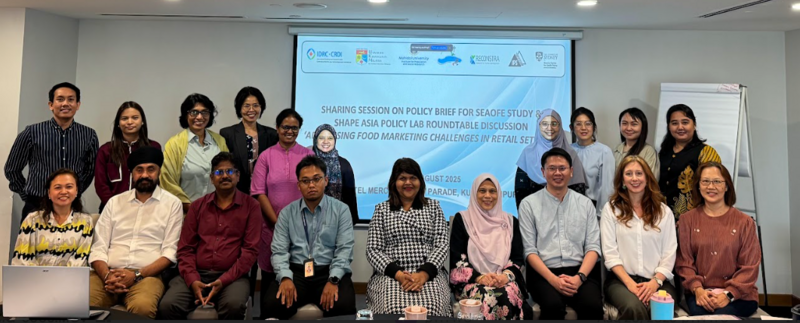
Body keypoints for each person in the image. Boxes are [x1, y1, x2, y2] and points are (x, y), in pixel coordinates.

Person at [158, 152, 262, 320]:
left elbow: (250, 252)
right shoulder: (197, 207)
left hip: (232, 277)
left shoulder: (252, 206)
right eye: (219, 172)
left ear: (238, 176)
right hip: (195, 273)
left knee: (233, 305)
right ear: (212, 178)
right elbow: (185, 249)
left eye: (230, 171)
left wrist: (224, 280)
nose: (225, 176)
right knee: (168, 305)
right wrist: (193, 280)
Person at [89, 146, 184, 319]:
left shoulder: (172, 204)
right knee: (80, 303)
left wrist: (137, 275)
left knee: (143, 308)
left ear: (159, 172)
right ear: (132, 173)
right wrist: (107, 275)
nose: (145, 175)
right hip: (108, 274)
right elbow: (99, 247)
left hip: (147, 276)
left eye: (151, 169)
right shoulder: (115, 202)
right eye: (139, 170)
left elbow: (170, 253)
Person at [264, 156, 357, 319]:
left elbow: (344, 249)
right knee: (272, 304)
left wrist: (333, 280)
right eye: (305, 181)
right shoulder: (287, 213)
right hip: (296, 270)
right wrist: (285, 277)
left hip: (328, 270)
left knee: (344, 305)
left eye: (316, 179)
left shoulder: (341, 210)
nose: (311, 185)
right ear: (299, 186)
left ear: (326, 180)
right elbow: (279, 250)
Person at [519, 147, 603, 320]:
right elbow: (530, 251)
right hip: (544, 273)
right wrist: (553, 280)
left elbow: (593, 247)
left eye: (562, 168)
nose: (557, 173)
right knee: (552, 307)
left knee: (592, 307)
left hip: (580, 271)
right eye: (552, 168)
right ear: (543, 172)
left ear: (571, 172)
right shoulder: (528, 204)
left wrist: (579, 277)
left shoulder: (585, 204)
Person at [366, 158, 450, 317]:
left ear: (420, 181)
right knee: (392, 310)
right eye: (402, 178)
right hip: (392, 275)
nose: (408, 183)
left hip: (428, 274)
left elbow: (442, 245)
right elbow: (373, 250)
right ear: (394, 182)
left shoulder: (434, 207)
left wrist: (423, 274)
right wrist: (398, 274)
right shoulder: (382, 209)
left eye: (413, 178)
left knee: (432, 309)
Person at [5, 82, 98, 223]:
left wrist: (74, 192)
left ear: (78, 105)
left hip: (71, 206)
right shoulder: (32, 132)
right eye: (60, 99)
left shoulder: (88, 135)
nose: (65, 103)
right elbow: (12, 169)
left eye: (71, 99)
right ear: (51, 104)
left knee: (70, 245)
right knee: (30, 245)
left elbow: (90, 170)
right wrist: (27, 195)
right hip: (36, 205)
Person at [676, 162, 760, 317]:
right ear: (698, 186)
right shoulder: (687, 220)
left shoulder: (744, 222)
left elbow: (750, 267)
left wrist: (728, 294)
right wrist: (698, 290)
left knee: (723, 314)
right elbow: (684, 262)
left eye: (717, 181)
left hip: (739, 295)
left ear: (726, 186)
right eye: (705, 181)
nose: (711, 186)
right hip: (700, 293)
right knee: (702, 314)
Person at [600, 155, 678, 320]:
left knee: (659, 306)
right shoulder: (611, 209)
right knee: (634, 308)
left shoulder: (664, 212)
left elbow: (669, 253)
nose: (634, 178)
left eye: (639, 173)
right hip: (621, 281)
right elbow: (610, 253)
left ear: (647, 178)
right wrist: (630, 284)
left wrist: (654, 283)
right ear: (622, 179)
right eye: (629, 174)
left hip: (657, 281)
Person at [250, 108, 314, 303]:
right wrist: (278, 223)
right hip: (272, 226)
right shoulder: (266, 156)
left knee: (304, 273)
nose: (290, 131)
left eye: (295, 128)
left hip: (304, 228)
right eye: (285, 127)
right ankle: (269, 313)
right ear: (277, 128)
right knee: (271, 276)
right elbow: (259, 192)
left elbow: (314, 192)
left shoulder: (308, 154)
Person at [449, 173, 532, 320]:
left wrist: (504, 277)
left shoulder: (511, 222)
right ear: (475, 193)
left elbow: (517, 259)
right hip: (473, 282)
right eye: (482, 191)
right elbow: (458, 259)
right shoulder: (463, 220)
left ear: (499, 194)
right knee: (487, 297)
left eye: (492, 191)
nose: (488, 195)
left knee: (506, 294)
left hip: (504, 280)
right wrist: (480, 278)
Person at [160, 93, 229, 213]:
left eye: (204, 112)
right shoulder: (174, 144)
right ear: (186, 115)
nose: (199, 117)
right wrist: (192, 209)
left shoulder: (219, 141)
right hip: (186, 214)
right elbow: (167, 181)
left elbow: (228, 174)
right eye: (194, 112)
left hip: (219, 212)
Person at [12, 168, 93, 266]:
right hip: (33, 278)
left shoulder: (86, 222)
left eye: (69, 187)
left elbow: (80, 260)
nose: (63, 191)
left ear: (76, 191)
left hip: (69, 279)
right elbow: (21, 258)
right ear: (49, 193)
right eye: (57, 187)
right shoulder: (32, 220)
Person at [95, 101, 161, 212]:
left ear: (142, 121)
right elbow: (101, 185)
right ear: (118, 123)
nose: (129, 122)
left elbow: (156, 180)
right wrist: (115, 207)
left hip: (146, 209)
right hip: (111, 209)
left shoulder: (153, 147)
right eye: (124, 118)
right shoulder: (106, 150)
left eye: (135, 118)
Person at [658, 104, 721, 218]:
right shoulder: (664, 152)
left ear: (694, 125)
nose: (680, 127)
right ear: (669, 126)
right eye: (674, 123)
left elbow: (714, 187)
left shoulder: (706, 152)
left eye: (685, 122)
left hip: (693, 219)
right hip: (661, 217)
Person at [516, 109, 587, 208]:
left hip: (566, 215)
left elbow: (578, 192)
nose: (549, 128)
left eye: (554, 123)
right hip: (534, 215)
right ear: (538, 126)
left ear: (560, 126)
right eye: (544, 124)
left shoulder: (571, 154)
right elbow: (520, 193)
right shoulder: (528, 154)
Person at [220, 86, 279, 195]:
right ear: (239, 108)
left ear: (261, 107)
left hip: (265, 194)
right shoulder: (227, 134)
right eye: (246, 106)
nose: (251, 110)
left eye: (255, 105)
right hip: (236, 193)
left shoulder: (272, 134)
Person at [570, 107, 615, 216]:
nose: (583, 128)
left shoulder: (604, 152)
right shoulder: (568, 151)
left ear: (594, 127)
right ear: (571, 128)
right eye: (578, 124)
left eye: (588, 124)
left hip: (593, 212)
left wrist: (602, 216)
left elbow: (607, 189)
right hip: (570, 210)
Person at [312, 124, 358, 224]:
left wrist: (351, 220)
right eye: (321, 138)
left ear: (335, 140)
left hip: (337, 220)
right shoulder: (308, 163)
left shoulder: (344, 164)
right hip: (310, 219)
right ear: (316, 140)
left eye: (330, 138)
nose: (326, 141)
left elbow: (350, 196)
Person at [614, 107, 660, 178]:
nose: (628, 128)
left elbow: (650, 181)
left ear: (643, 127)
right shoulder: (617, 149)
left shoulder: (648, 151)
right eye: (624, 123)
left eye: (634, 124)